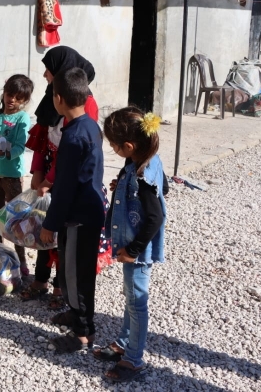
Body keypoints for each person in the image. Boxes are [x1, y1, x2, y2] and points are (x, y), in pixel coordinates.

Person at [22, 46, 101, 307]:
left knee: (59, 233)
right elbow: (42, 137)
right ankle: (41, 279)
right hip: (47, 173)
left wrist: (50, 179)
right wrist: (37, 172)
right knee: (42, 226)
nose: (45, 74)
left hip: (65, 177)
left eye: (49, 68)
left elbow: (71, 153)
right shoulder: (51, 99)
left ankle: (60, 288)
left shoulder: (84, 105)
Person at [94, 107, 166, 383]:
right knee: (130, 297)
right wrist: (121, 184)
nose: (112, 149)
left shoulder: (143, 175)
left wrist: (133, 250)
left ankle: (133, 360)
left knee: (137, 303)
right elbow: (166, 188)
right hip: (131, 247)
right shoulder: (137, 162)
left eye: (113, 145)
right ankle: (124, 342)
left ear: (128, 146)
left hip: (137, 251)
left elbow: (155, 216)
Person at [39, 68, 106, 353]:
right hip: (89, 210)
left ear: (59, 99)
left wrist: (50, 224)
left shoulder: (73, 136)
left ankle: (82, 332)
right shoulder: (89, 125)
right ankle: (76, 313)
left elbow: (65, 186)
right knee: (77, 270)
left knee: (74, 274)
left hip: (77, 217)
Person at [0, 74, 34, 276]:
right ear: (3, 93)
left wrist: (6, 152)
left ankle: (21, 259)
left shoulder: (22, 118)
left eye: (18, 97)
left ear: (24, 101)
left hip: (12, 177)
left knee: (16, 219)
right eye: (9, 94)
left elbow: (20, 146)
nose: (12, 100)